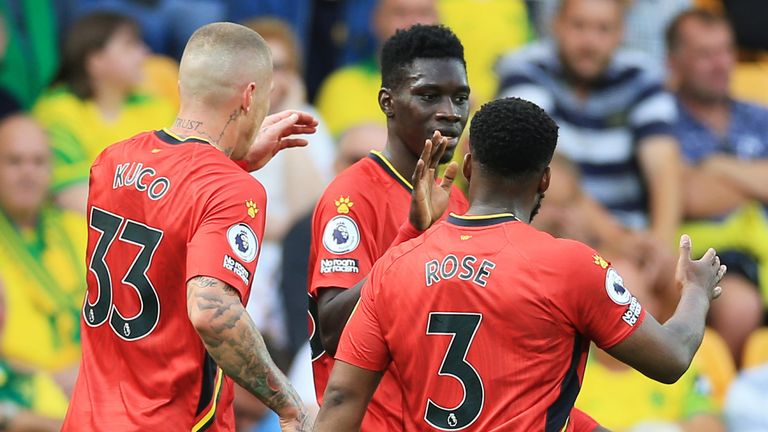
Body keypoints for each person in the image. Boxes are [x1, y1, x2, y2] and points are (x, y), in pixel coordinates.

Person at [314, 97, 727, 432]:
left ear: (470, 168)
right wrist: (695, 290)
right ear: (544, 179)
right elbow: (671, 357)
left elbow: (340, 399)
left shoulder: (394, 266)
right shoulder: (570, 265)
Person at [62, 22, 319, 431]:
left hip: (88, 418)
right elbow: (211, 313)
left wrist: (232, 161)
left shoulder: (112, 161)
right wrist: (291, 406)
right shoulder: (230, 189)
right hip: (170, 421)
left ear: (182, 85)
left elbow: (169, 214)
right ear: (250, 95)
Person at [308, 24, 470, 431]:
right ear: (388, 102)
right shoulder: (352, 195)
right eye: (429, 95)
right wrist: (411, 239)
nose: (451, 112)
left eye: (460, 97)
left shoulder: (460, 201)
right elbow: (332, 328)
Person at [496, 0, 682, 317]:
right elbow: (541, 163)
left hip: (634, 235)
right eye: (579, 26)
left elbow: (664, 166)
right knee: (624, 283)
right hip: (561, 232)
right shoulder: (525, 69)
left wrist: (660, 245)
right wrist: (614, 237)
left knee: (678, 285)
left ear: (621, 32)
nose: (589, 41)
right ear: (556, 25)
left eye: (603, 29)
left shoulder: (642, 76)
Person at [667, 8, 768, 364]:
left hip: (763, 248)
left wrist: (717, 167)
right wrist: (755, 179)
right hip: (704, 253)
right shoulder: (662, 118)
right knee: (739, 304)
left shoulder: (759, 115)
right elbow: (690, 196)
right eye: (705, 54)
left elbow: (701, 186)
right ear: (674, 62)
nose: (720, 63)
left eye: (726, 51)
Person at [32, 11, 175, 214]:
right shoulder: (57, 110)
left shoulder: (158, 108)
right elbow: (71, 195)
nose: (144, 53)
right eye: (130, 45)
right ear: (95, 60)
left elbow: (183, 184)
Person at [0, 115, 85, 394]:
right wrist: (48, 378)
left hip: (91, 382)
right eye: (14, 161)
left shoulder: (77, 228)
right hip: (20, 392)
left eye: (38, 162)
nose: (28, 172)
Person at [315, 0, 439, 137]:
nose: (412, 24)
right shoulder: (342, 85)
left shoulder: (462, 88)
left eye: (423, 13)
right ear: (376, 21)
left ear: (439, 22)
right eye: (400, 13)